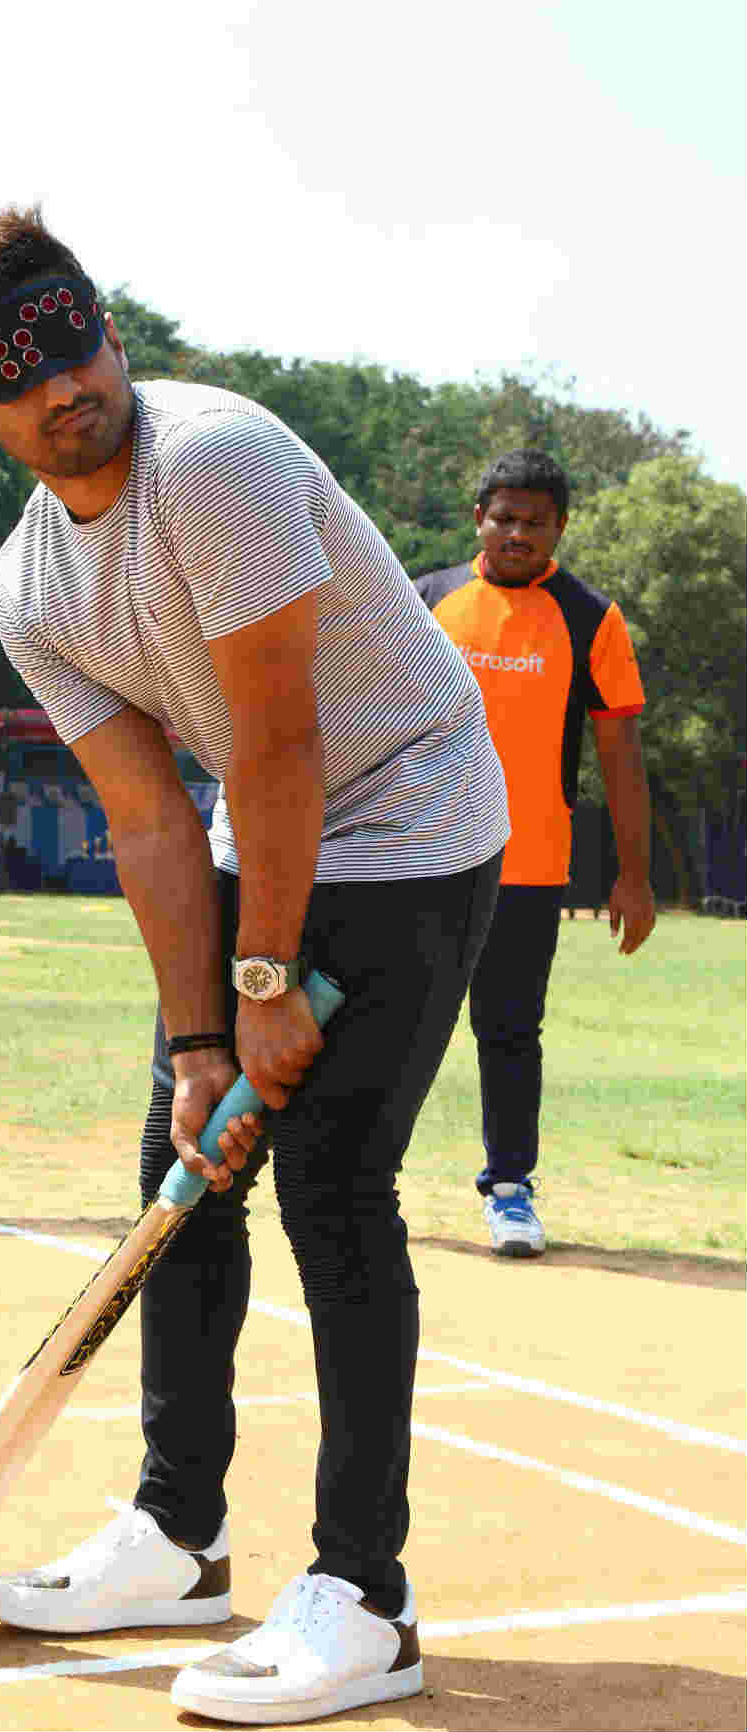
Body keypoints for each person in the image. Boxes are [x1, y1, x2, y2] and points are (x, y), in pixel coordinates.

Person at [0, 207, 509, 1725]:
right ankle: (178, 1534)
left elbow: (290, 734)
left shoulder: (213, 461)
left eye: (69, 333)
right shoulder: (28, 586)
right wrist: (199, 1038)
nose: (61, 380)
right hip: (268, 821)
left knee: (330, 1177)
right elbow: (147, 818)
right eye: (10, 370)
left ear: (104, 325)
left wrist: (263, 992)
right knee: (184, 1160)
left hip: (418, 805)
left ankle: (367, 1598)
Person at [415, 451, 655, 1258]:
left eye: (535, 522)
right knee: (397, 1023)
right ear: (478, 517)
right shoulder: (428, 602)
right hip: (423, 856)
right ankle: (361, 1176)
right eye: (504, 518)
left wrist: (635, 874)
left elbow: (620, 753)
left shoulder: (591, 617)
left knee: (510, 1030)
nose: (517, 534)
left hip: (528, 866)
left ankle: (510, 1189)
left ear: (560, 527)